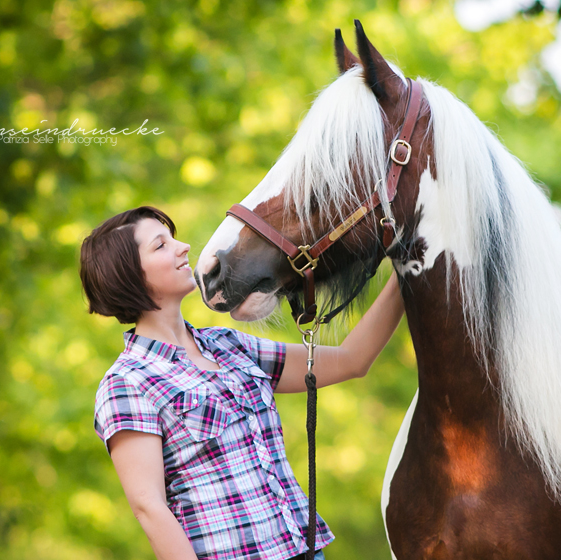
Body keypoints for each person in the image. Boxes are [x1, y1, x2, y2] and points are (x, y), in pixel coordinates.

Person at [79, 206, 405, 560]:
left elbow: (351, 360)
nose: (183, 247)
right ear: (129, 276)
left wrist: (409, 268)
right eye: (161, 246)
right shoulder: (127, 383)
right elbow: (149, 507)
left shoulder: (230, 345)